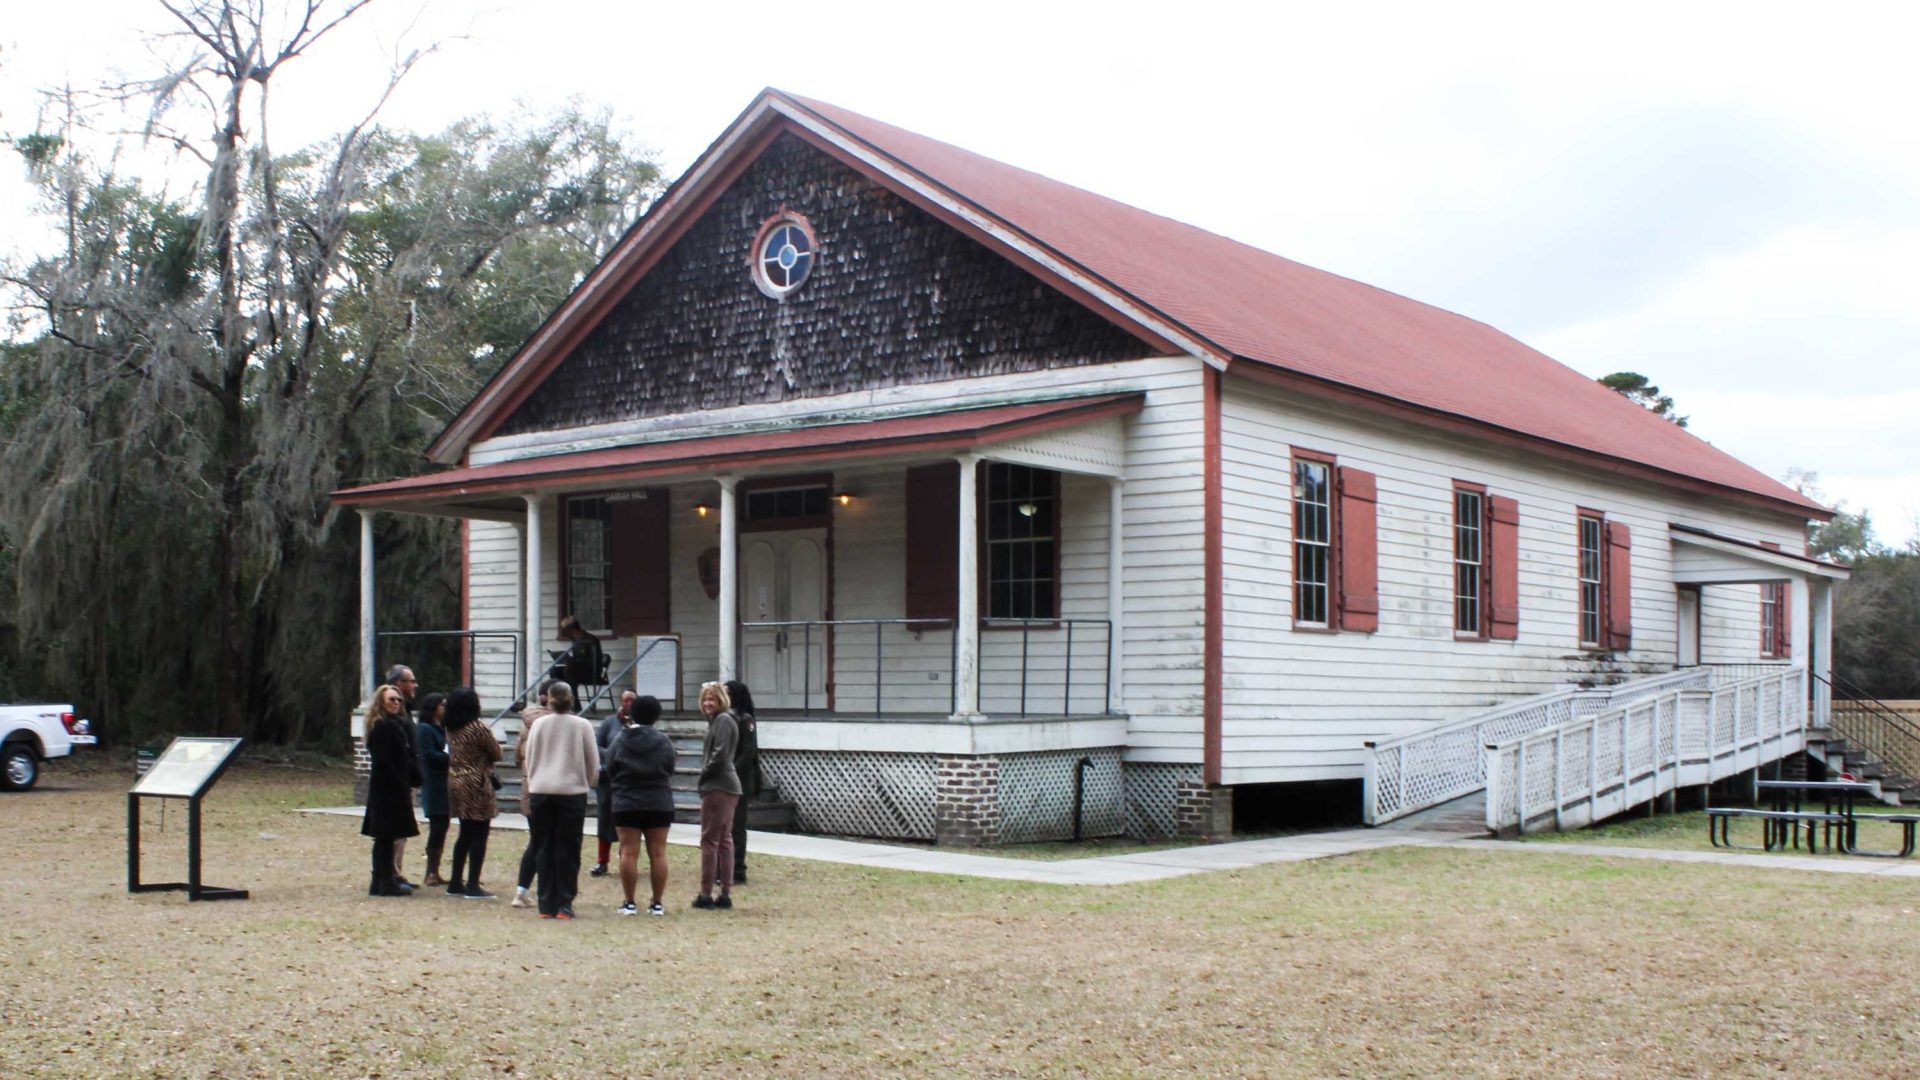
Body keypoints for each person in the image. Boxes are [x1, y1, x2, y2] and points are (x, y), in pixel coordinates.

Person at [516, 680, 599, 919]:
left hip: (541, 790)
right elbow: (592, 760)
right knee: (568, 848)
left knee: (544, 846)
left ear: (549, 699)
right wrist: (589, 781)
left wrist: (535, 782)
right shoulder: (582, 725)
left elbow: (529, 758)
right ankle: (564, 903)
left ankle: (545, 903)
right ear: (571, 699)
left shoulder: (539, 725)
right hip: (571, 792)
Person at [604, 695, 676, 916]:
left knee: (628, 852)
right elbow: (670, 766)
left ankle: (629, 902)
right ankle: (656, 903)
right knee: (658, 852)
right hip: (658, 801)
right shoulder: (663, 741)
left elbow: (610, 767)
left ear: (631, 713)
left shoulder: (621, 739)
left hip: (627, 801)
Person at [360, 684, 422, 898]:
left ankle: (381, 880)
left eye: (398, 700)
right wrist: (400, 781)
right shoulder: (381, 727)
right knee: (384, 837)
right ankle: (383, 881)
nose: (396, 703)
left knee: (386, 837)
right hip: (387, 789)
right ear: (381, 703)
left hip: (394, 786)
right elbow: (385, 761)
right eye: (391, 700)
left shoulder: (396, 725)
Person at [443, 687, 502, 899]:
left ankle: (455, 881)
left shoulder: (451, 728)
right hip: (475, 780)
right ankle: (473, 884)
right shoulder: (478, 728)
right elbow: (496, 753)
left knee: (465, 832)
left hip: (455, 778)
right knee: (480, 831)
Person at [692, 681, 741, 911]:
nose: (708, 703)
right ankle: (725, 892)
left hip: (719, 785)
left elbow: (720, 754)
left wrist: (704, 775)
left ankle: (706, 893)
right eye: (705, 699)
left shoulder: (722, 720)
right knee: (724, 840)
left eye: (712, 698)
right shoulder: (721, 720)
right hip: (727, 785)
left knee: (710, 840)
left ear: (722, 699)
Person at [512, 681, 554, 909]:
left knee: (536, 841)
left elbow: (518, 754)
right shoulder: (559, 723)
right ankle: (548, 890)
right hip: (552, 787)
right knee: (551, 842)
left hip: (530, 785)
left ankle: (521, 891)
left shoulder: (526, 723)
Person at [590, 690, 636, 878]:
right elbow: (597, 745)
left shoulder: (637, 725)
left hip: (628, 781)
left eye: (632, 701)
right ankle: (602, 862)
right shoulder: (609, 722)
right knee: (604, 821)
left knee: (626, 823)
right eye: (625, 700)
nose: (628, 704)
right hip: (608, 780)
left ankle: (625, 861)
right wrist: (611, 753)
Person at [386, 663, 422, 890]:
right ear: (399, 683)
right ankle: (391, 872)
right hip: (397, 779)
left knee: (402, 831)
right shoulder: (392, 712)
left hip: (408, 777)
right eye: (411, 680)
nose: (415, 685)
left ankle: (397, 871)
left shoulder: (404, 708)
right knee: (394, 830)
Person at [724, 679, 761, 885]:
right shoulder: (724, 718)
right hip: (726, 779)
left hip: (739, 780)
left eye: (728, 693)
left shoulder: (745, 720)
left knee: (737, 825)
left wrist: (730, 772)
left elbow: (748, 753)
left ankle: (738, 868)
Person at [415, 692, 451, 887]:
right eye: (442, 705)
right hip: (434, 783)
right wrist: (450, 756)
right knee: (437, 826)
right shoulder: (425, 729)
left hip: (445, 783)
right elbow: (428, 755)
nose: (445, 709)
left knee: (443, 826)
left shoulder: (441, 729)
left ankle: (435, 871)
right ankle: (430, 871)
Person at [550, 614, 603, 688]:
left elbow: (594, 661)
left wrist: (575, 661)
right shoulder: (574, 639)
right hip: (576, 669)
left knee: (570, 670)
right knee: (555, 670)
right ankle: (559, 695)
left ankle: (574, 698)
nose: (563, 632)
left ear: (572, 629)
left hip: (590, 672)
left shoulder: (590, 640)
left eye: (565, 630)